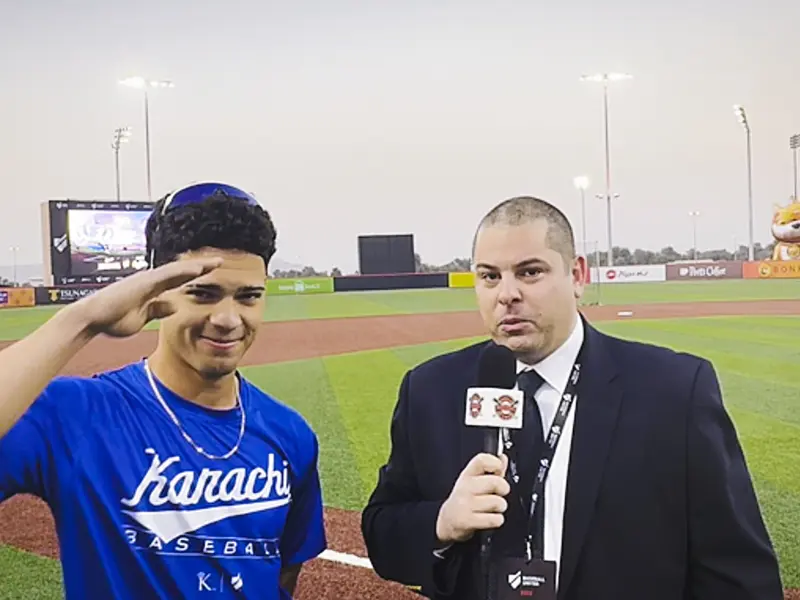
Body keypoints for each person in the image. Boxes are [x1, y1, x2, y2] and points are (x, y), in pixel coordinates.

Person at [361, 195, 783, 600]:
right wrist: (442, 521)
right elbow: (382, 531)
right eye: (490, 275)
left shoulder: (673, 392)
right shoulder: (431, 391)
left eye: (529, 272)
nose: (506, 293)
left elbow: (738, 572)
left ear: (578, 275)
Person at [0, 182, 327, 599]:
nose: (228, 319)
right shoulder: (74, 416)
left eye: (248, 297)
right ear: (156, 289)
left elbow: (283, 575)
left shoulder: (290, 434)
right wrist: (82, 321)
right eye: (203, 294)